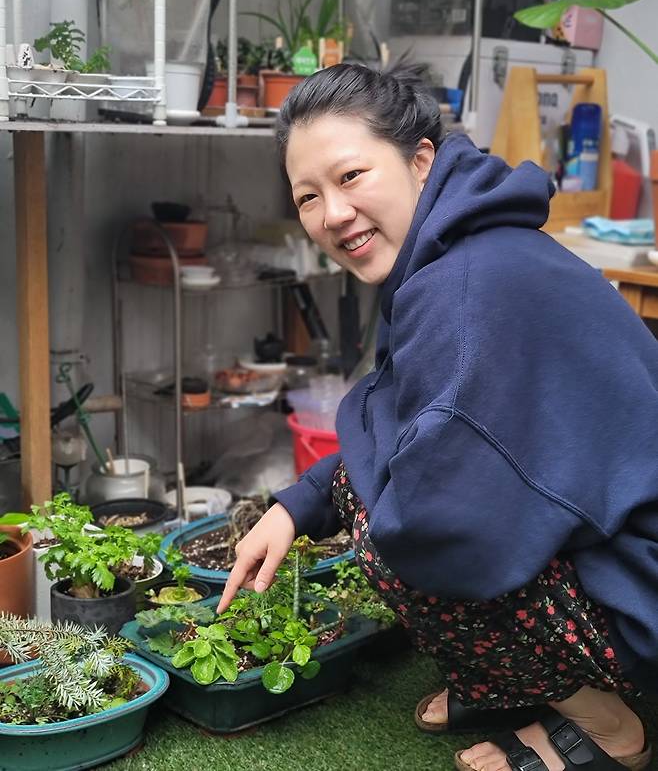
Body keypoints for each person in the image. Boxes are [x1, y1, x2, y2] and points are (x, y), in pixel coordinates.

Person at [217, 63, 658, 771]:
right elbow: (398, 415)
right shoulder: (459, 248)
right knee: (377, 489)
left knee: (397, 537)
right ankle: (506, 680)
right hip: (613, 536)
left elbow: (438, 520)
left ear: (420, 159)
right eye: (308, 195)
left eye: (351, 175)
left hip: (637, 587)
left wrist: (345, 506)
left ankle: (608, 725)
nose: (331, 213)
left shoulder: (464, 287)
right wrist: (297, 504)